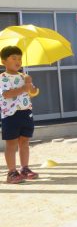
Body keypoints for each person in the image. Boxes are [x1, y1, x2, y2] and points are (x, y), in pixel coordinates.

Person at [0, 46, 39, 184]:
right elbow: (6, 94)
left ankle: (25, 168)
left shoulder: (24, 77)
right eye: (14, 58)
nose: (18, 61)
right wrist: (23, 87)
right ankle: (11, 172)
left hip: (26, 112)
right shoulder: (2, 78)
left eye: (20, 58)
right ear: (4, 61)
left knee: (25, 142)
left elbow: (32, 93)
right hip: (10, 115)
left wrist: (30, 85)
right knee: (11, 144)